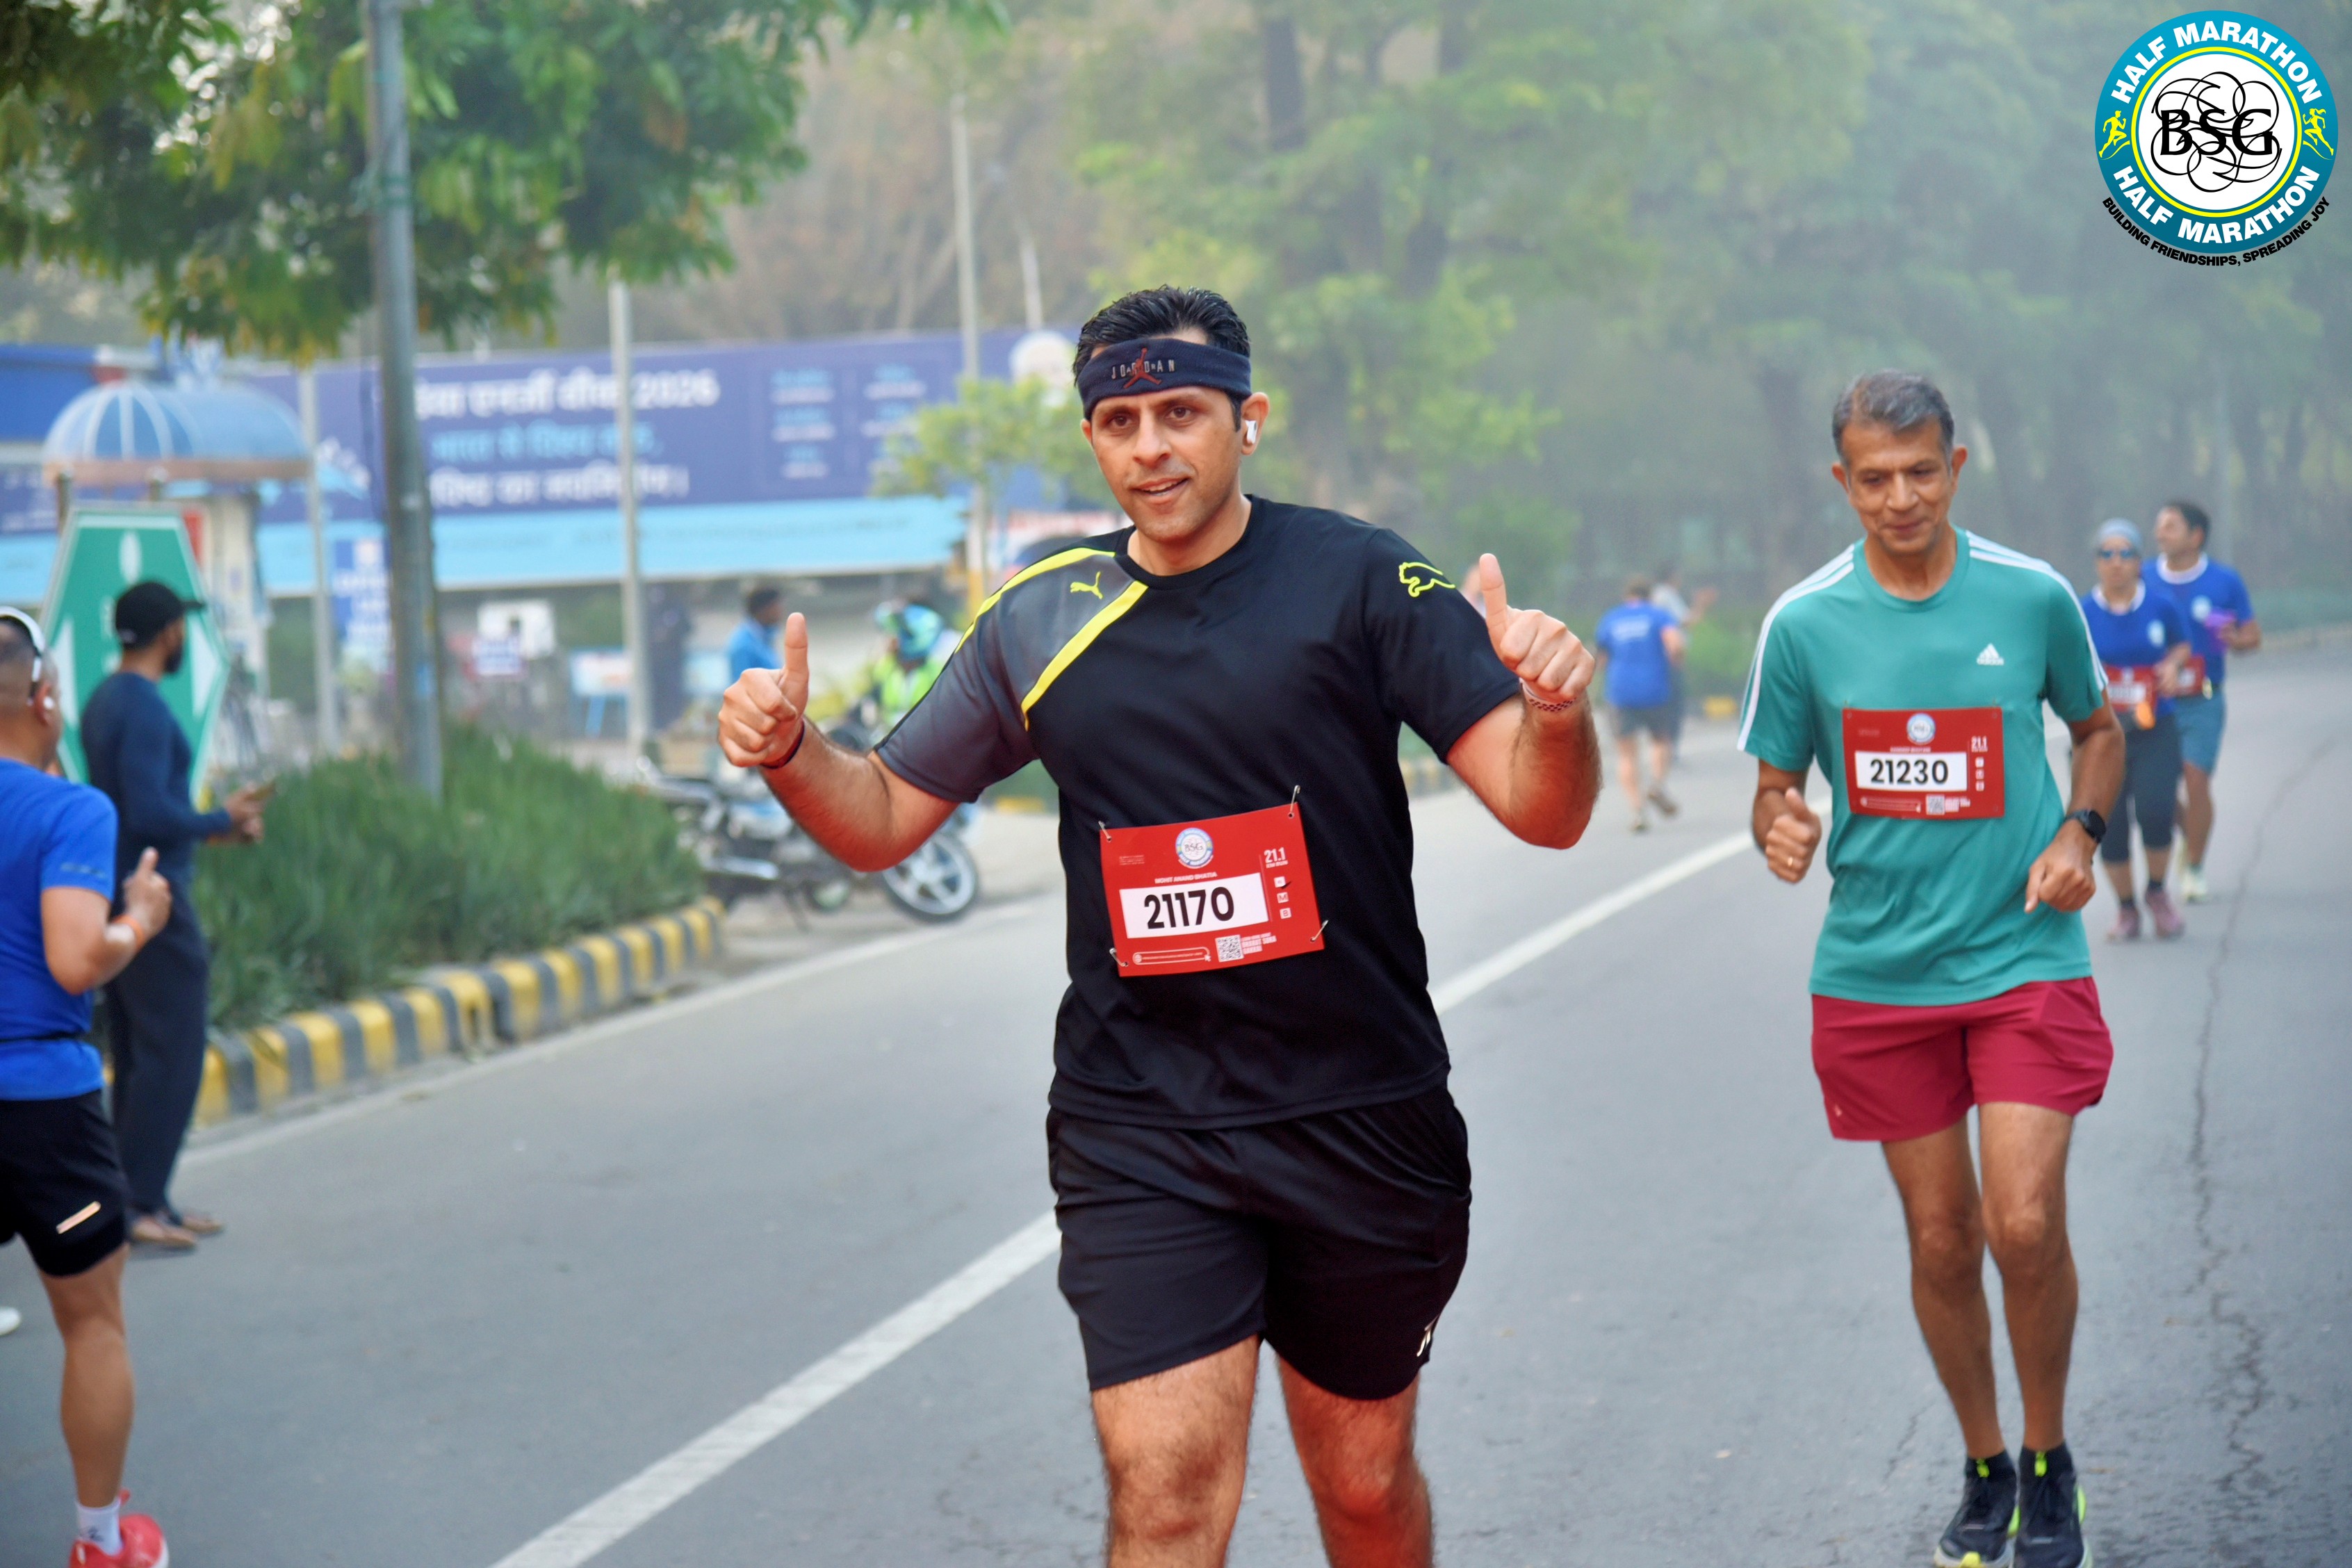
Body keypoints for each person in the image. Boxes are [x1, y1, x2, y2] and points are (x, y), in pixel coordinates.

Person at [721, 285, 1601, 1568]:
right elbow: (881, 819)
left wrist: (1559, 714)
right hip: (1142, 1126)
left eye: (1180, 413)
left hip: (1359, 1114)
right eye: (1119, 422)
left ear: (1248, 420)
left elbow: (1542, 808)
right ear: (1091, 436)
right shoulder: (1043, 615)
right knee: (1168, 1494)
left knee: (1361, 1487)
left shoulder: (1360, 579)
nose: (1149, 448)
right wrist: (791, 750)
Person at [1742, 372, 2122, 1568]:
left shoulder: (2030, 594)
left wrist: (2080, 834)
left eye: (1920, 472)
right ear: (1841, 481)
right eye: (1874, 479)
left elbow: (2098, 731)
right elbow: (1772, 787)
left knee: (2022, 1221)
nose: (1899, 498)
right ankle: (1983, 1460)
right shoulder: (1803, 624)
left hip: (2022, 952)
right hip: (1878, 974)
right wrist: (1778, 827)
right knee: (1942, 1240)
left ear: (1956, 467)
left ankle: (2048, 1458)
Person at [0, 606, 177, 1567]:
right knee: (91, 1323)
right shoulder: (71, 811)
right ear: (42, 698)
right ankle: (102, 1543)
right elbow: (76, 958)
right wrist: (140, 917)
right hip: (45, 1116)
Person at [79, 582, 268, 1252]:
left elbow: (135, 812)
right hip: (154, 900)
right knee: (175, 1052)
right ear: (169, 634)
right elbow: (151, 812)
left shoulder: (104, 700)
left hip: (118, 887)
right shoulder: (145, 707)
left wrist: (215, 831)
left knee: (139, 1052)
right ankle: (139, 1203)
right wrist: (222, 818)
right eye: (181, 627)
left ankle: (139, 1200)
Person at [2079, 521, 2192, 942]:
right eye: (2107, 554)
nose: (2116, 562)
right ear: (2096, 562)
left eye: (2125, 553)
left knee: (2157, 811)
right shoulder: (2081, 611)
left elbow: (2182, 645)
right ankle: (2126, 909)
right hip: (2100, 734)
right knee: (2107, 824)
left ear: (2139, 561)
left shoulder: (2161, 606)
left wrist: (2173, 665)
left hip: (2155, 727)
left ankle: (2158, 893)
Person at [2140, 501, 2257, 904]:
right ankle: (2191, 834)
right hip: (2156, 700)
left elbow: (2253, 635)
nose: (2161, 533)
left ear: (2196, 536)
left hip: (2204, 699)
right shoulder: (2144, 578)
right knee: (2155, 787)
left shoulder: (2224, 581)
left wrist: (2236, 640)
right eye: (2159, 525)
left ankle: (2193, 867)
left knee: (2196, 779)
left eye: (2171, 526)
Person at [1593, 576, 1686, 830]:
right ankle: (1656, 784)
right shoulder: (1659, 616)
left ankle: (1638, 812)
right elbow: (1675, 644)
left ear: (1627, 597)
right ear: (1650, 597)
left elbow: (1600, 660)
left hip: (1620, 692)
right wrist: (1676, 662)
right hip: (1655, 690)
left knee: (1626, 754)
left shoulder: (1611, 618)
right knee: (1660, 740)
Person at [865, 601, 955, 731]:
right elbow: (872, 699)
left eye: (899, 634)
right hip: (890, 738)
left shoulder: (937, 672)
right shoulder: (886, 669)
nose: (891, 641)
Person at [725, 585, 785, 685]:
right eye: (776, 606)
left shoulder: (764, 637)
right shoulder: (743, 645)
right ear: (764, 609)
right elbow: (741, 685)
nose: (781, 611)